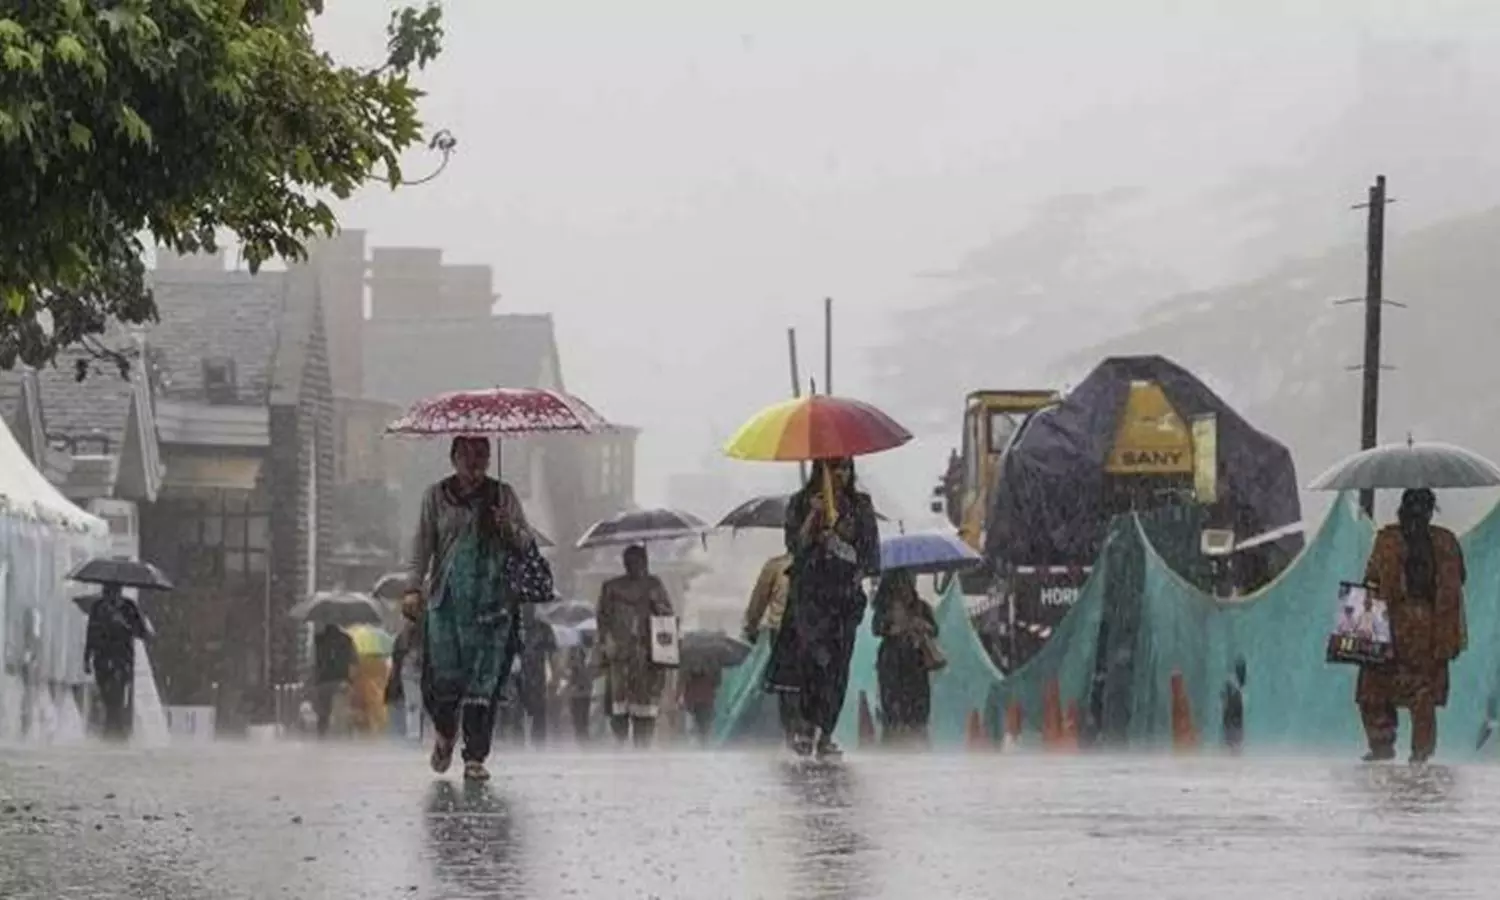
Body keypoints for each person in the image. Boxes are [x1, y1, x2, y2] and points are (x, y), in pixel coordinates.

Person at [402, 436, 554, 780]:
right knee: (443, 681)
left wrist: (507, 526)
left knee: (483, 683)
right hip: (448, 604)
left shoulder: (504, 496)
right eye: (467, 454)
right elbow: (423, 544)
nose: (475, 462)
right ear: (453, 457)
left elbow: (527, 543)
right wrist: (413, 587)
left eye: (482, 454)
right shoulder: (436, 497)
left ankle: (475, 756)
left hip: (492, 605)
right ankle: (445, 733)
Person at [766, 458, 880, 759]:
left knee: (837, 670)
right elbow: (795, 546)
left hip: (843, 601)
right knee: (809, 664)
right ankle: (804, 727)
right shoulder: (801, 502)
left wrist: (841, 543)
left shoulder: (861, 506)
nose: (840, 474)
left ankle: (825, 732)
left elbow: (870, 558)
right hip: (809, 600)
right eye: (833, 468)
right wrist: (813, 518)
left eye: (845, 468)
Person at [1357, 488, 1467, 764]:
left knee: (1377, 685)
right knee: (1419, 690)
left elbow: (1372, 578)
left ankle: (1383, 744)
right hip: (1430, 623)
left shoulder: (1388, 540)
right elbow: (1459, 579)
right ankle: (1420, 751)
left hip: (1392, 620)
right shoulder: (1445, 542)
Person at [596, 544, 675, 748]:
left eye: (639, 561)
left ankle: (642, 746)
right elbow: (602, 621)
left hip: (645, 655)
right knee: (618, 706)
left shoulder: (654, 585)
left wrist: (655, 602)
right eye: (630, 562)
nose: (634, 566)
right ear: (625, 563)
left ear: (645, 562)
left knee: (645, 708)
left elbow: (666, 619)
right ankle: (620, 741)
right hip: (620, 656)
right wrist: (607, 643)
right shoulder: (611, 587)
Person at [871, 569, 940, 746]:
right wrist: (898, 627)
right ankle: (895, 741)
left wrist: (922, 626)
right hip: (892, 663)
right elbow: (877, 629)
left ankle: (916, 741)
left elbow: (934, 629)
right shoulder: (884, 610)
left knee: (917, 709)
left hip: (915, 663)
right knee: (893, 709)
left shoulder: (921, 607)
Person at [83, 584, 153, 740]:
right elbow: (91, 633)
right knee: (108, 699)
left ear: (119, 592)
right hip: (102, 659)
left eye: (113, 592)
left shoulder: (129, 607)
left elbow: (141, 633)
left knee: (117, 698)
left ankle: (114, 734)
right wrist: (87, 659)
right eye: (106, 592)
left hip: (122, 660)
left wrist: (125, 625)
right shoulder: (98, 607)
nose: (109, 596)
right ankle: (113, 733)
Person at [742, 551, 796, 738]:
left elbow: (759, 599)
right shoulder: (821, 561)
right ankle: (803, 731)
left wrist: (751, 627)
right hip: (808, 632)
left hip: (781, 631)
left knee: (786, 685)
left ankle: (792, 732)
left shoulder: (775, 566)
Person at [311, 623, 355, 737]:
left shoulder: (317, 640)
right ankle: (343, 735)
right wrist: (351, 679)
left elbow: (311, 660)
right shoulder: (347, 639)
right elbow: (353, 660)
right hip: (341, 680)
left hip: (323, 680)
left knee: (323, 712)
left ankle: (322, 735)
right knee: (343, 711)